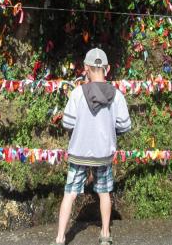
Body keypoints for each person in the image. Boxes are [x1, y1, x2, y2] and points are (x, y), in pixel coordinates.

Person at [52, 48, 132, 245]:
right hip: (103, 153)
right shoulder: (117, 95)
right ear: (108, 68)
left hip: (79, 152)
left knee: (69, 194)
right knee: (104, 193)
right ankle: (105, 235)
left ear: (86, 68)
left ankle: (60, 238)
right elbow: (125, 125)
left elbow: (68, 123)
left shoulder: (78, 93)